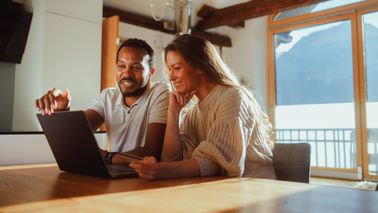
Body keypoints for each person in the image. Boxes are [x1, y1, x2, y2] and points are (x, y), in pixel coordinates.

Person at [130, 34, 276, 180]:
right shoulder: (193, 113)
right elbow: (173, 160)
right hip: (217, 189)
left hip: (256, 189)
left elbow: (216, 162)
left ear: (199, 67)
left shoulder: (233, 97)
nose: (171, 77)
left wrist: (161, 170)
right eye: (169, 70)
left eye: (176, 68)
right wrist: (173, 113)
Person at [35, 38, 169, 165]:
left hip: (145, 179)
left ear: (151, 72)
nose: (126, 74)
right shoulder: (107, 96)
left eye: (135, 68)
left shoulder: (160, 92)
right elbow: (76, 136)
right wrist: (62, 110)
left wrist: (107, 157)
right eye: (121, 66)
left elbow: (151, 152)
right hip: (113, 172)